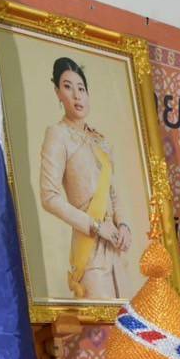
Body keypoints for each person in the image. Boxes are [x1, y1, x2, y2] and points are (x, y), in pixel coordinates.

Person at [39, 56, 132, 300]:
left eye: (81, 89)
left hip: (115, 248)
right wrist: (96, 226)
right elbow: (49, 197)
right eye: (68, 87)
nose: (76, 96)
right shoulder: (58, 135)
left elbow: (113, 193)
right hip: (88, 248)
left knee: (127, 320)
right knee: (100, 322)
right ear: (58, 93)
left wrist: (124, 225)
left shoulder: (100, 141)